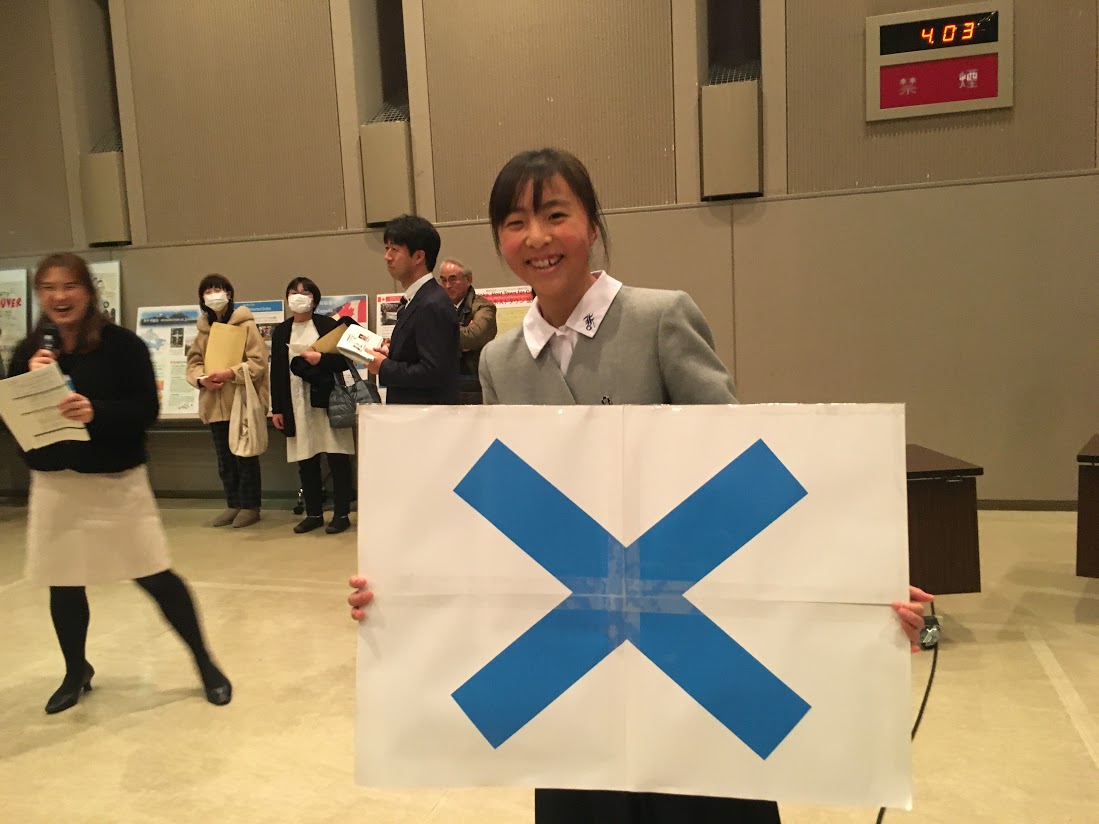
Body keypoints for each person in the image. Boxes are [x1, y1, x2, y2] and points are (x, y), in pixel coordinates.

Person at [349, 149, 934, 823]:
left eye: (555, 214)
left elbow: (746, 478)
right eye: (514, 222)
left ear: (592, 224)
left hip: (688, 644)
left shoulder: (660, 319)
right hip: (573, 668)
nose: (536, 237)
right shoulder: (501, 362)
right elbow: (502, 521)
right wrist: (399, 592)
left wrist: (863, 589)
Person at [9, 252, 231, 714]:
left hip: (115, 481)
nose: (59, 297)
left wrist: (97, 412)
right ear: (39, 295)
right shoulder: (29, 352)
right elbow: (9, 416)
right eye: (48, 288)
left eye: (69, 286)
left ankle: (205, 663)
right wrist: (29, 383)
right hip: (55, 483)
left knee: (155, 574)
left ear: (88, 291)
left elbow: (146, 410)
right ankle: (76, 671)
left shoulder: (122, 345)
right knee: (63, 582)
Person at [270, 276, 355, 535]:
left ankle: (341, 514)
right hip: (296, 402)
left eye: (304, 292)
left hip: (328, 400)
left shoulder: (328, 325)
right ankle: (314, 513)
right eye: (293, 292)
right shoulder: (281, 331)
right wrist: (277, 408)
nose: (298, 296)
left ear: (315, 299)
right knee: (306, 459)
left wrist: (320, 359)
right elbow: (276, 371)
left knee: (337, 457)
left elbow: (345, 361)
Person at [185, 274, 270, 528]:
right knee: (225, 459)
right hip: (214, 403)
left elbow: (258, 363)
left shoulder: (245, 324)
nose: (214, 295)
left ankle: (250, 506)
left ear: (229, 293)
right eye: (208, 291)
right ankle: (233, 504)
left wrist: (230, 373)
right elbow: (193, 363)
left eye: (218, 289)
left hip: (240, 402)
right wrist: (202, 379)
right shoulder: (203, 330)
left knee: (245, 456)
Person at [361, 215, 459, 404]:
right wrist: (391, 354)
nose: (387, 256)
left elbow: (433, 372)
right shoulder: (418, 298)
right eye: (386, 248)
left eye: (394, 249)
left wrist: (384, 367)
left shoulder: (431, 303)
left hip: (426, 415)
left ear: (419, 257)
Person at [438, 258, 497, 381]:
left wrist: (434, 331)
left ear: (468, 280)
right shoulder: (436, 306)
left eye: (453, 279)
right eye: (443, 280)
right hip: (442, 378)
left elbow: (474, 337)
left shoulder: (484, 307)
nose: (447, 286)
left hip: (474, 379)